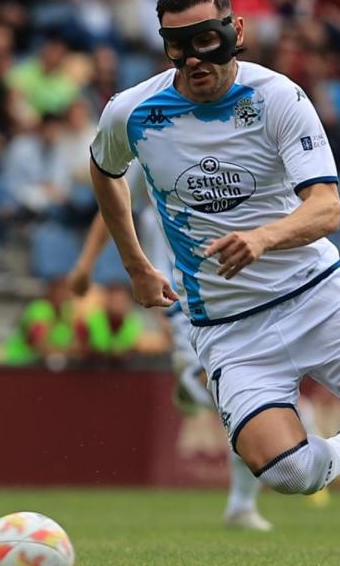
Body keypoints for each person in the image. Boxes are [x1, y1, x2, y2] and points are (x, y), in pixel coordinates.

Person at [88, 0, 340, 564]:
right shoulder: (132, 112)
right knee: (288, 472)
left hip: (314, 294)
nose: (194, 58)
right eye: (178, 47)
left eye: (206, 40)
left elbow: (327, 208)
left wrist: (263, 237)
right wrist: (136, 266)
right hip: (227, 325)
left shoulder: (277, 97)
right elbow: (105, 171)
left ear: (236, 30)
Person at [68, 212, 275, 531]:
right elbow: (111, 202)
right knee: (239, 396)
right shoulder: (145, 164)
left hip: (238, 298)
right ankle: (241, 504)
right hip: (184, 304)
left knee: (242, 398)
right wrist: (85, 264)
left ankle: (191, 389)